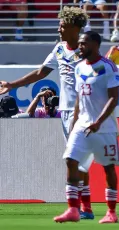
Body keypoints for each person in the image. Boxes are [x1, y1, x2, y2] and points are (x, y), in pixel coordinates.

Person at [0, 6, 95, 219]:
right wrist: (12, 85)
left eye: (62, 25)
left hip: (84, 110)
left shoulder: (87, 50)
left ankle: (76, 207)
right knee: (78, 160)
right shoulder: (60, 49)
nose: (59, 28)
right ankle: (86, 208)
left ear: (74, 27)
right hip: (66, 112)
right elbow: (40, 72)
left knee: (74, 159)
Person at [54, 31, 119, 224]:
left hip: (105, 127)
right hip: (82, 125)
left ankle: (111, 212)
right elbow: (78, 100)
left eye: (84, 44)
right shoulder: (79, 68)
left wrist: (99, 121)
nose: (80, 47)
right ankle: (73, 209)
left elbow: (114, 98)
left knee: (108, 168)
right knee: (71, 160)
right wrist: (75, 123)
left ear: (95, 44)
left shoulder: (108, 67)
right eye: (80, 43)